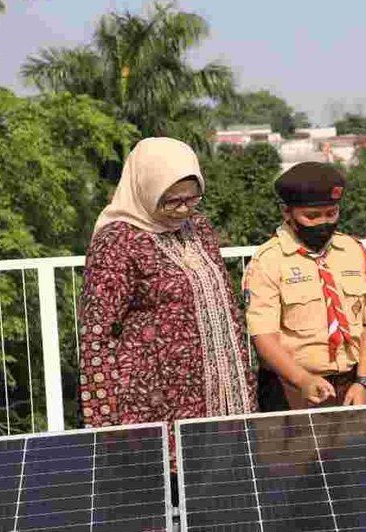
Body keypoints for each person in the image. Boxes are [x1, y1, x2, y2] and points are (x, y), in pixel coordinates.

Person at [78, 137, 256, 467]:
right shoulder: (118, 241)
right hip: (156, 402)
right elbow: (96, 336)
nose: (184, 210)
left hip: (222, 396)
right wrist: (103, 423)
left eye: (192, 199)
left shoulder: (199, 228)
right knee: (166, 498)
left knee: (224, 498)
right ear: (146, 189)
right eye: (172, 202)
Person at [244, 162, 366, 410]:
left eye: (331, 213)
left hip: (351, 387)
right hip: (293, 390)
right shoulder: (269, 260)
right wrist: (301, 379)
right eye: (312, 216)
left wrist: (363, 381)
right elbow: (263, 338)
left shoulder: (353, 251)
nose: (323, 223)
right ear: (287, 213)